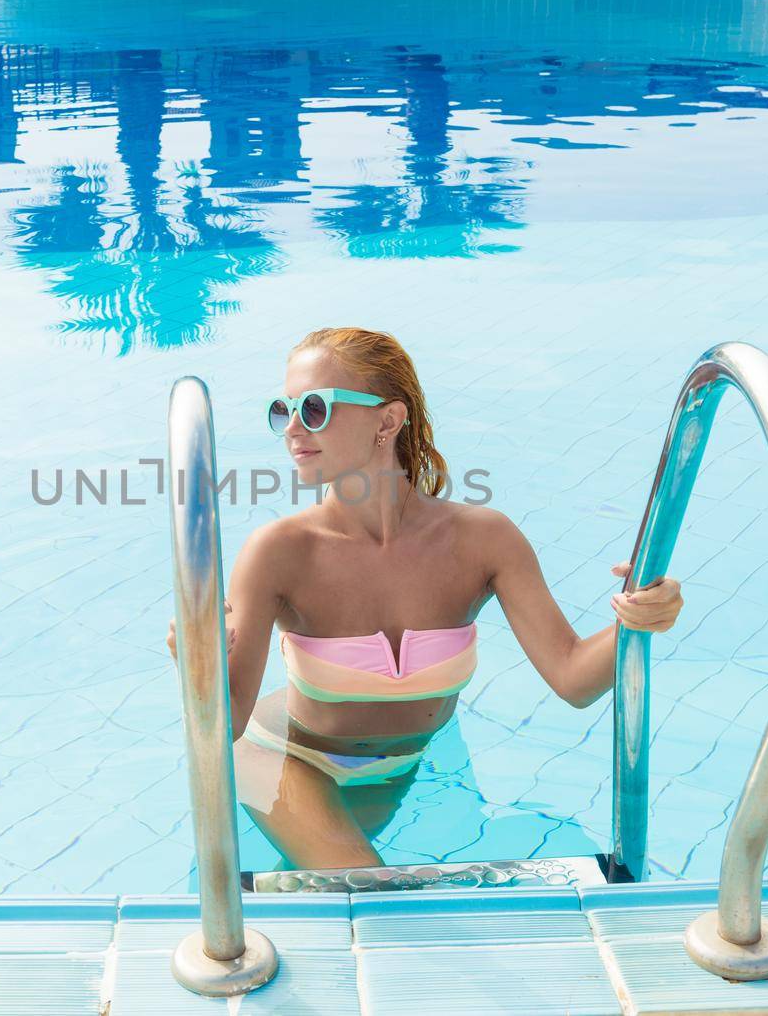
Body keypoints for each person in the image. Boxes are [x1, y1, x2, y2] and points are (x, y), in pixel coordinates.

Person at [165, 327, 684, 871]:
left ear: (387, 420)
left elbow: (574, 679)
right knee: (372, 887)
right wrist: (195, 662)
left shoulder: (483, 541)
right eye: (282, 410)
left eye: (314, 408)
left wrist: (639, 617)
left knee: (337, 886)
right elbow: (227, 725)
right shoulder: (279, 552)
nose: (292, 430)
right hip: (286, 756)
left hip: (400, 764)